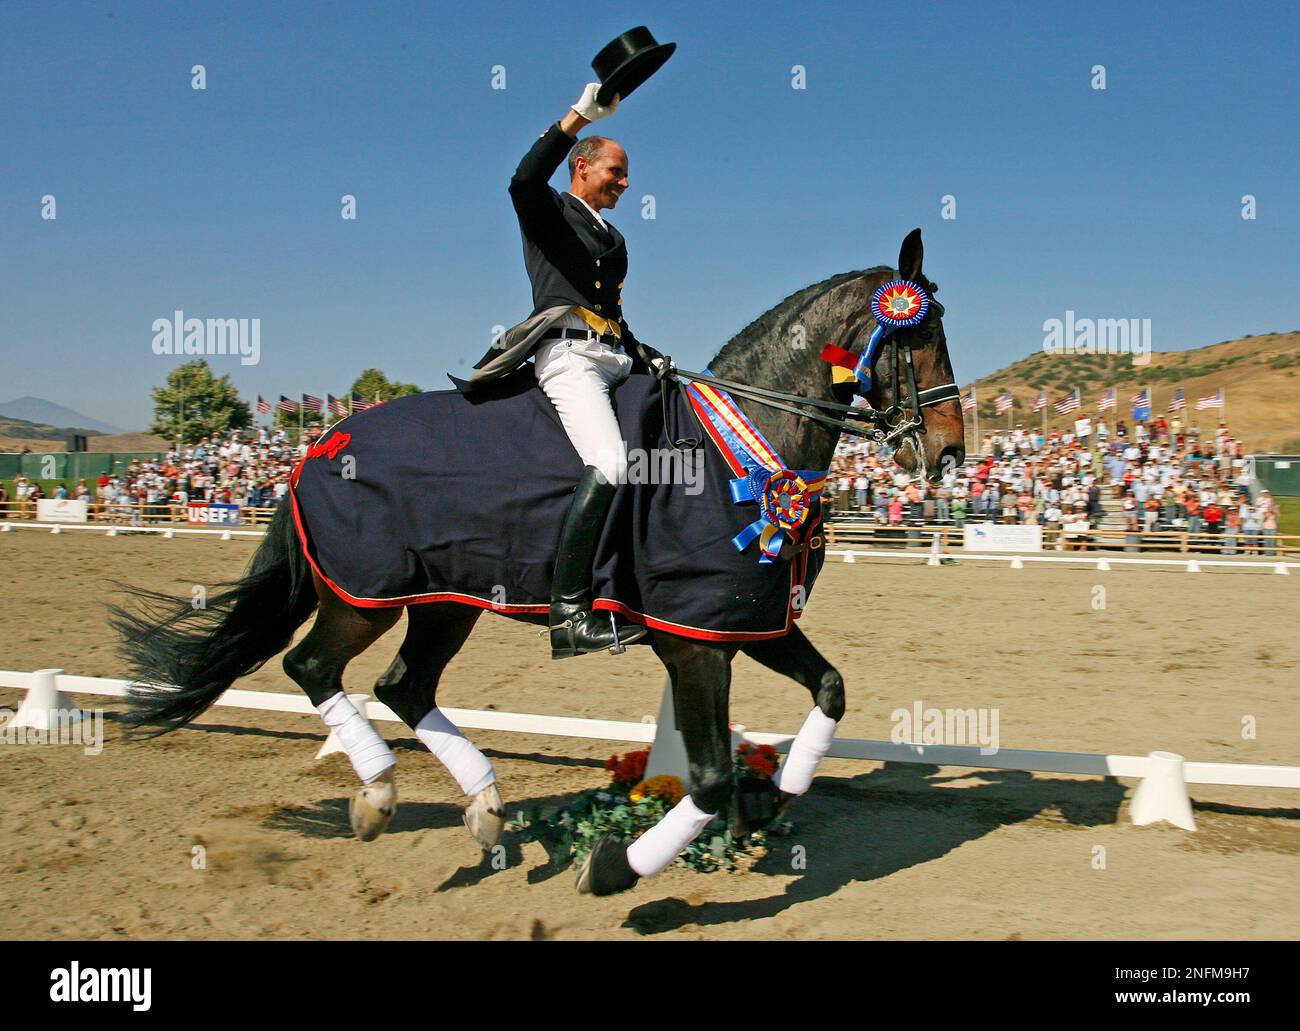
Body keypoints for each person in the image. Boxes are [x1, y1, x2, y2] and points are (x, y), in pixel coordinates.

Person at [462, 83, 674, 659]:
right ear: (581, 167)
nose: (626, 183)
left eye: (627, 175)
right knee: (609, 462)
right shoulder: (548, 209)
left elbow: (613, 312)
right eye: (616, 171)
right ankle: (570, 614)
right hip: (569, 356)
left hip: (614, 354)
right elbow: (522, 180)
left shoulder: (617, 238)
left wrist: (647, 354)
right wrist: (579, 116)